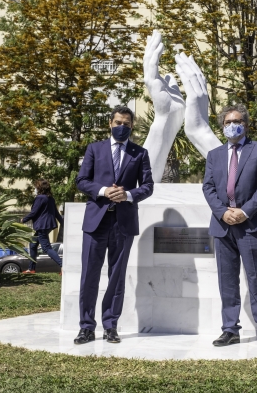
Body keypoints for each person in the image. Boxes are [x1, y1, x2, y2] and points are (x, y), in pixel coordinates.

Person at [202, 103, 257, 350]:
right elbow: (208, 187)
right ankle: (230, 330)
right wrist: (222, 212)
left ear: (246, 124)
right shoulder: (214, 155)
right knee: (227, 280)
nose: (231, 125)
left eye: (237, 121)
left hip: (251, 224)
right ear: (222, 125)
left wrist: (245, 211)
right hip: (223, 225)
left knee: (256, 278)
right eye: (227, 122)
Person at [74, 106, 154, 345]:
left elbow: (148, 186)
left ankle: (111, 325)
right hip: (96, 221)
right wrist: (102, 191)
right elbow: (81, 181)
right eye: (118, 122)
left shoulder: (139, 153)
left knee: (116, 277)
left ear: (131, 126)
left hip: (123, 223)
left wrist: (128, 195)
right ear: (110, 123)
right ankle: (86, 327)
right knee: (89, 276)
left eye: (127, 124)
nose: (122, 127)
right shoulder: (94, 149)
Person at [21, 179, 63, 274]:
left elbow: (34, 212)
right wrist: (63, 222)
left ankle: (63, 265)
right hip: (48, 225)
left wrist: (24, 220)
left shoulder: (40, 198)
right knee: (33, 244)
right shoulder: (50, 199)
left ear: (39, 188)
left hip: (42, 225)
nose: (35, 189)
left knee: (46, 248)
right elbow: (56, 213)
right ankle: (31, 268)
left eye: (36, 187)